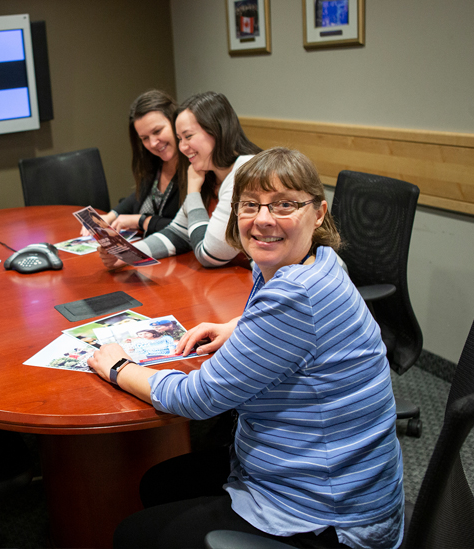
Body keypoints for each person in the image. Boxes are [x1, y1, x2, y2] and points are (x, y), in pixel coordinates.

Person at [88, 147, 404, 549]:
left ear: (319, 213)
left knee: (130, 534)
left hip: (327, 514)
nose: (263, 220)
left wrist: (119, 366)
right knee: (160, 482)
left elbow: (196, 399)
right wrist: (237, 326)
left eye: (284, 205)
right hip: (331, 476)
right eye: (250, 205)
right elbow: (303, 324)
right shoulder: (319, 261)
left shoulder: (293, 296)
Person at [99, 91, 262, 269]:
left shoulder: (246, 172)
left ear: (217, 131)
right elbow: (176, 232)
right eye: (179, 139)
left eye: (188, 136)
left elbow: (209, 255)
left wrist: (192, 192)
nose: (183, 147)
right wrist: (124, 254)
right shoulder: (207, 175)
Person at [82, 89, 182, 236]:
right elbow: (138, 197)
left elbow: (185, 227)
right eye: (144, 138)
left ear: (175, 122)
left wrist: (140, 220)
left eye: (157, 131)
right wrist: (111, 216)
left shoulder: (196, 168)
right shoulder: (155, 162)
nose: (153, 143)